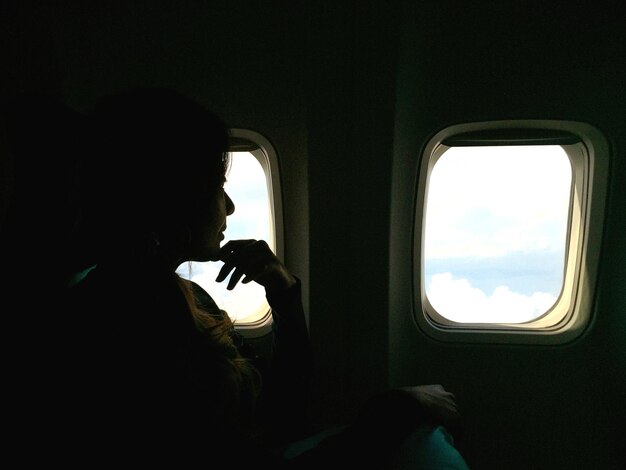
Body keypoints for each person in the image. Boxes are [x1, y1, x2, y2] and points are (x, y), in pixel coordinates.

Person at [64, 87, 469, 468]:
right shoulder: (124, 325)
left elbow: (280, 411)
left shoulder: (182, 296)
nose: (231, 206)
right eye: (218, 188)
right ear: (174, 200)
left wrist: (283, 294)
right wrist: (391, 411)